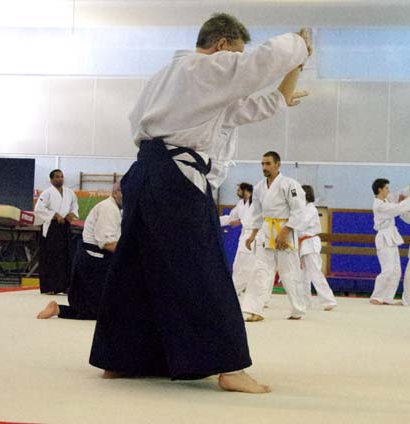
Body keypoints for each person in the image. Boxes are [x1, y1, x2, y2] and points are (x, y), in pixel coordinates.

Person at [89, 13, 312, 394]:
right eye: (235, 53)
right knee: (204, 268)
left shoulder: (168, 78)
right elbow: (258, 64)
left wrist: (292, 77)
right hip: (175, 181)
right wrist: (299, 44)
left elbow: (250, 108)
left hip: (144, 175)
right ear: (222, 45)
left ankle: (120, 358)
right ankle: (229, 366)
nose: (236, 61)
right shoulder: (203, 68)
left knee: (135, 268)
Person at [37, 183, 122, 320]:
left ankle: (58, 309)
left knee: (105, 309)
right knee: (98, 313)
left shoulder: (118, 209)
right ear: (115, 193)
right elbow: (107, 243)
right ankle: (58, 308)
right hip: (93, 262)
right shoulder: (108, 208)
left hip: (98, 259)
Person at [242, 151, 307, 321]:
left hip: (285, 230)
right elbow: (257, 213)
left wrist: (285, 232)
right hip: (266, 231)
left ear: (278, 164)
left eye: (268, 163)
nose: (264, 167)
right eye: (262, 164)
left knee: (289, 272)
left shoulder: (289, 184)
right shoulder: (259, 187)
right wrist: (253, 234)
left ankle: (298, 309)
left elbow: (298, 210)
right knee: (260, 270)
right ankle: (255, 310)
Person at [369, 179, 410, 305]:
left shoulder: (386, 200)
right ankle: (376, 296)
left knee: (396, 271)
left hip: (391, 236)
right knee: (387, 270)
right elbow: (398, 208)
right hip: (384, 237)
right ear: (380, 189)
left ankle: (387, 297)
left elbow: (398, 196)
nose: (389, 190)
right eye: (386, 188)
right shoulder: (380, 205)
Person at [34, 169, 79, 294]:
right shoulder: (47, 193)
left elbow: (75, 206)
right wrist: (55, 215)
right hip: (52, 227)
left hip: (65, 226)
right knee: (51, 256)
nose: (60, 179)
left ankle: (65, 286)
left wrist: (72, 214)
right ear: (51, 180)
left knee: (66, 256)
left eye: (61, 176)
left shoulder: (70, 192)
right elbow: (39, 209)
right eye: (57, 177)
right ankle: (49, 287)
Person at [299, 185, 337, 311]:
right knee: (302, 276)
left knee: (315, 273)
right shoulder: (301, 208)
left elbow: (301, 224)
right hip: (302, 245)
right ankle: (305, 302)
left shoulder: (311, 209)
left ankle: (329, 300)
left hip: (310, 243)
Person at [219, 182, 256, 294]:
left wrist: (240, 221)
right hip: (243, 236)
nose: (237, 193)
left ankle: (235, 291)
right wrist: (216, 221)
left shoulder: (256, 202)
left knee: (246, 267)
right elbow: (231, 218)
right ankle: (234, 290)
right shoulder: (241, 204)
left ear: (246, 191)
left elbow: (256, 219)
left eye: (239, 190)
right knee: (237, 265)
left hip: (253, 236)